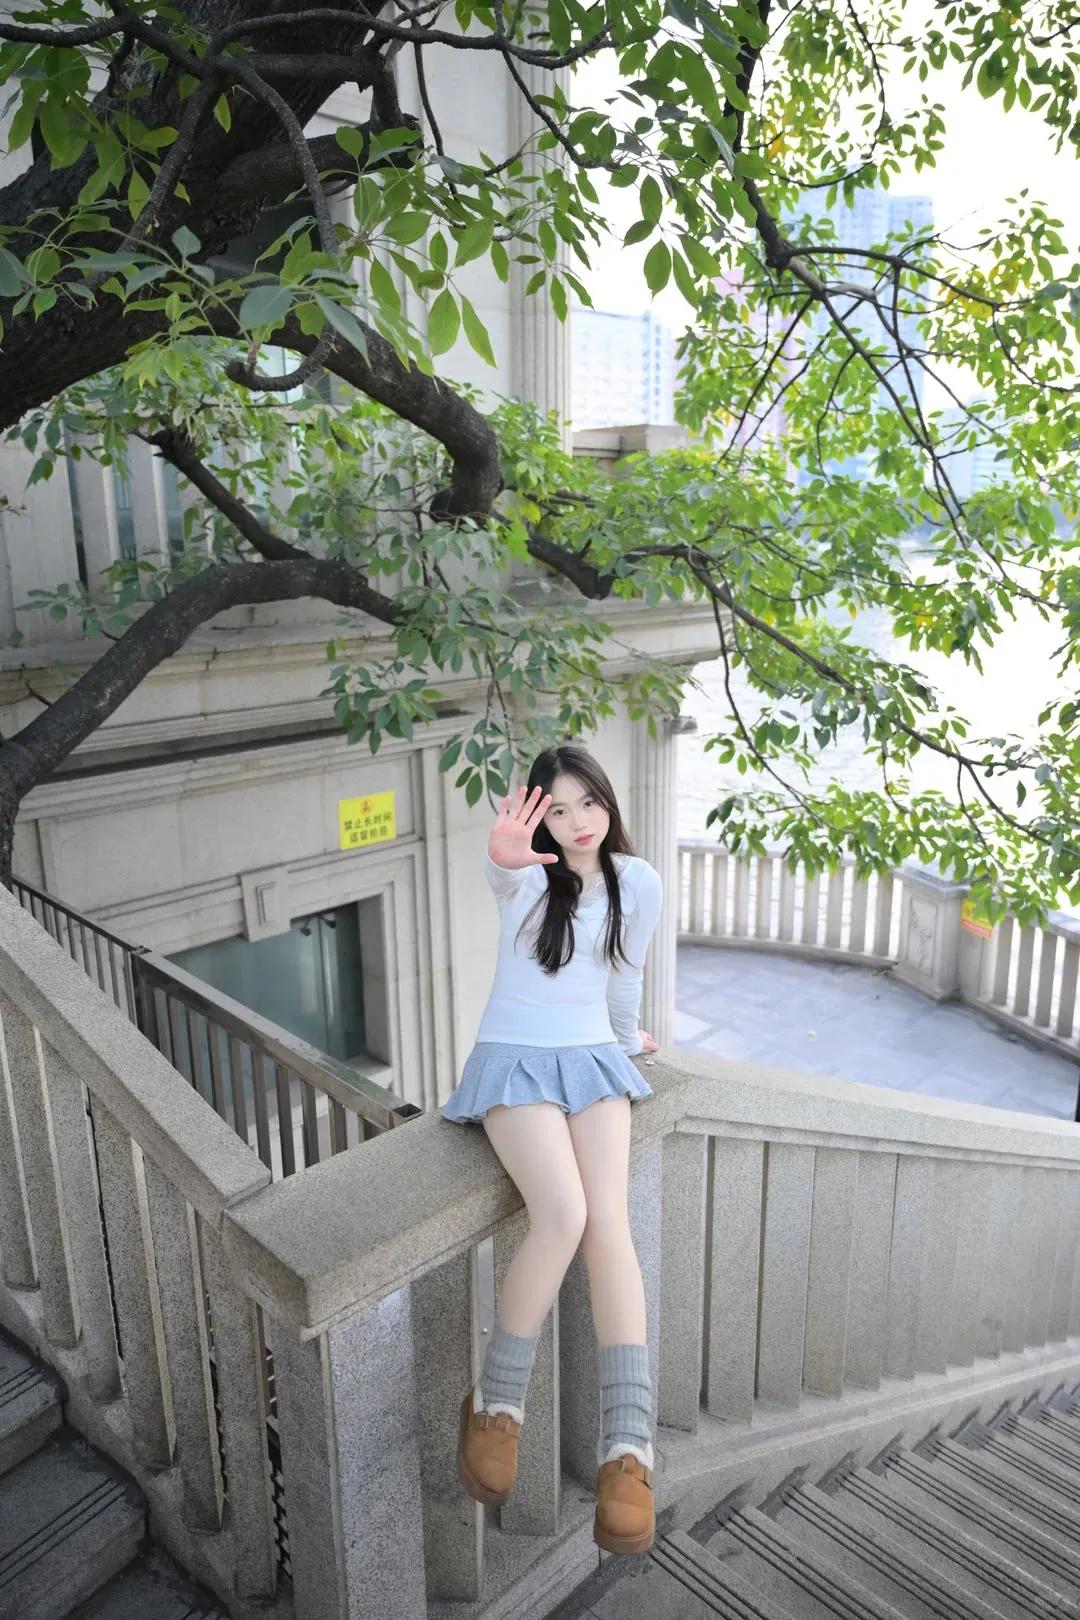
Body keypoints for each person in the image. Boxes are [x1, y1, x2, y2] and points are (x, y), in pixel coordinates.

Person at [440, 742, 663, 1556]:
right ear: (540, 819)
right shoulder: (529, 876)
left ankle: (628, 1450)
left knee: (609, 1225)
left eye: (588, 803)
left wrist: (627, 1040)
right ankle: (497, 1405)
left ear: (608, 800)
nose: (577, 822)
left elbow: (622, 977)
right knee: (562, 1214)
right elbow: (504, 874)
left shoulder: (637, 882)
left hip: (593, 1058)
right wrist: (503, 858)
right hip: (515, 1061)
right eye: (558, 810)